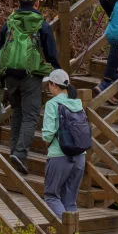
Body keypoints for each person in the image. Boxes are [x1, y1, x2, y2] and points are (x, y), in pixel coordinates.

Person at [0, 0, 60, 174]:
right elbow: (51, 54)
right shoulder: (41, 24)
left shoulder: (10, 23)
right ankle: (20, 154)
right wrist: (61, 72)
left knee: (17, 113)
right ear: (36, 2)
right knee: (30, 116)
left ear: (20, 3)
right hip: (31, 76)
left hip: (10, 76)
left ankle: (14, 153)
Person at [40, 69, 88, 221]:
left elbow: (48, 133)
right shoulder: (78, 103)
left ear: (53, 84)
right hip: (80, 156)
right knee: (70, 201)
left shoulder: (52, 104)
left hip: (59, 155)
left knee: (51, 196)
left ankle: (67, 233)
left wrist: (48, 143)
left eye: (49, 84)